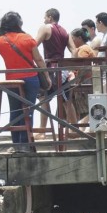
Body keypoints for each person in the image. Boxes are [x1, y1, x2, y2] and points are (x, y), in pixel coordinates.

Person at [0, 11, 51, 153]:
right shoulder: (27, 38)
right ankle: (25, 145)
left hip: (12, 81)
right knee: (28, 111)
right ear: (19, 24)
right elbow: (38, 60)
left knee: (15, 111)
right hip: (31, 79)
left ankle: (16, 144)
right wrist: (47, 76)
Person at [34, 8, 75, 137]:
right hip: (63, 68)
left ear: (50, 17)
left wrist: (38, 62)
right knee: (66, 99)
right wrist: (71, 69)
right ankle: (75, 130)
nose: (44, 20)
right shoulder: (65, 31)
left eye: (45, 17)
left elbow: (33, 45)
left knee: (43, 98)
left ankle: (42, 132)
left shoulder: (46, 28)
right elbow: (74, 50)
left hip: (51, 68)